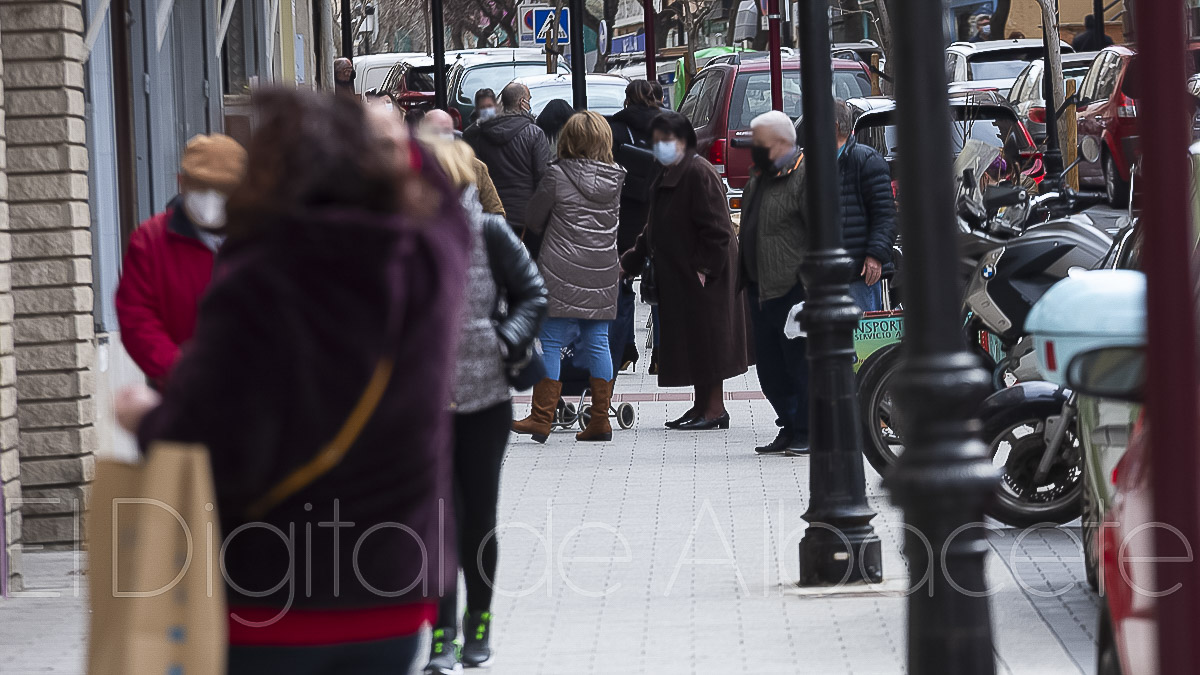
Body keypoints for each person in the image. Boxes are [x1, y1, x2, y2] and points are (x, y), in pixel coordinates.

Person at [115, 90, 471, 674]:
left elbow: (215, 442)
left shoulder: (254, 276)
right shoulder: (426, 262)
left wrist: (143, 418)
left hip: (270, 594)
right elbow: (444, 204)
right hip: (392, 593)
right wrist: (392, 137)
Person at [419, 138, 547, 675]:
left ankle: (479, 625)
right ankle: (441, 636)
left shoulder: (489, 232)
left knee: (477, 519)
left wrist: (504, 339)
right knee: (438, 522)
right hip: (423, 405)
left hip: (485, 399)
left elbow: (532, 293)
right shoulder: (408, 238)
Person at [620, 111, 749, 430]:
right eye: (658, 140)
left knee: (709, 341)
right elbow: (654, 228)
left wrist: (704, 269)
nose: (660, 146)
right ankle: (700, 406)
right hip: (685, 277)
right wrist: (630, 261)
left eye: (667, 140)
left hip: (705, 277)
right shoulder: (670, 172)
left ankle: (714, 409)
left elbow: (718, 230)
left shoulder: (697, 173)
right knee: (696, 341)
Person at [513, 111, 626, 443]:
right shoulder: (616, 178)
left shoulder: (557, 175)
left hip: (560, 268)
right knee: (598, 339)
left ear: (568, 140)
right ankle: (600, 421)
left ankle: (541, 417)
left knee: (550, 341)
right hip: (603, 268)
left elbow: (534, 218)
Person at [115, 133, 247, 387]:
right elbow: (137, 316)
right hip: (177, 396)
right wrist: (181, 371)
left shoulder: (264, 238)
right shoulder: (150, 240)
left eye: (223, 189)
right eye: (200, 187)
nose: (211, 198)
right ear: (181, 183)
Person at [740, 110, 811, 456]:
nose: (754, 149)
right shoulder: (759, 180)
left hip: (792, 289)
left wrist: (809, 285)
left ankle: (807, 430)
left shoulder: (804, 177)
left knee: (799, 365)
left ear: (782, 143)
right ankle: (788, 422)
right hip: (760, 289)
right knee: (770, 370)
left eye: (760, 144)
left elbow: (821, 235)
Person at [607, 79, 662, 372]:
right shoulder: (669, 126)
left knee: (622, 280)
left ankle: (623, 349)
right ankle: (661, 356)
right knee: (662, 285)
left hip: (626, 214)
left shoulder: (615, 129)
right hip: (662, 211)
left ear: (627, 100)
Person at [463, 82, 553, 253]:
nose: (529, 103)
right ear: (521, 103)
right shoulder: (535, 134)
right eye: (528, 99)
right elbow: (543, 177)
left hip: (494, 214)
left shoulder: (482, 134)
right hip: (526, 218)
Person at [835, 98, 897, 313]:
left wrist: (875, 255)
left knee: (862, 341)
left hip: (859, 273)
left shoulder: (865, 160)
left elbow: (885, 215)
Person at [425, 109, 506, 217]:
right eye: (435, 131)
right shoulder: (414, 169)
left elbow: (495, 211)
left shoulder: (475, 167)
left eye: (446, 130)